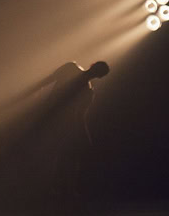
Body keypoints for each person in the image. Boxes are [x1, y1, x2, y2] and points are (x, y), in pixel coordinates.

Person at [29, 61, 110, 195]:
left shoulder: (77, 77)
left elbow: (46, 81)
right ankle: (54, 189)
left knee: (52, 154)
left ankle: (50, 189)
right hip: (54, 121)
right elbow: (80, 116)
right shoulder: (84, 87)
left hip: (55, 122)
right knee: (53, 155)